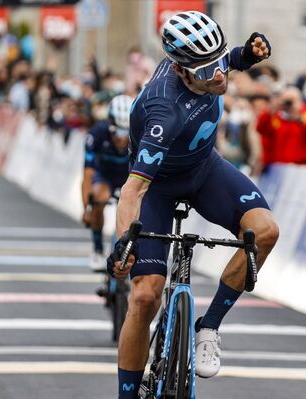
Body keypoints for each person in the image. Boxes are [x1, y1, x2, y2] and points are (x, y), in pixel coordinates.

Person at [106, 11, 279, 398]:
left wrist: (245, 55)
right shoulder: (163, 112)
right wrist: (124, 244)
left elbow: (222, 61)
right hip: (157, 189)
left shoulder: (203, 64)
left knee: (265, 230)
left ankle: (209, 326)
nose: (220, 76)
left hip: (205, 170)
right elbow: (133, 191)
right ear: (182, 71)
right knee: (146, 295)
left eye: (219, 63)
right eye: (207, 71)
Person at [82, 94, 134, 271]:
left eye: (127, 132)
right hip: (104, 177)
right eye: (118, 132)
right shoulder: (96, 134)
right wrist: (87, 207)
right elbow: (88, 175)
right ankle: (97, 249)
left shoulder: (141, 135)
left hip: (130, 178)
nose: (122, 138)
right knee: (98, 197)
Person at [256, 85, 306, 167]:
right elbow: (260, 129)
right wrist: (271, 110)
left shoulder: (304, 115)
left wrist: (298, 116)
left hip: (301, 167)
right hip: (277, 166)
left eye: (291, 100)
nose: (288, 104)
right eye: (286, 100)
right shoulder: (276, 116)